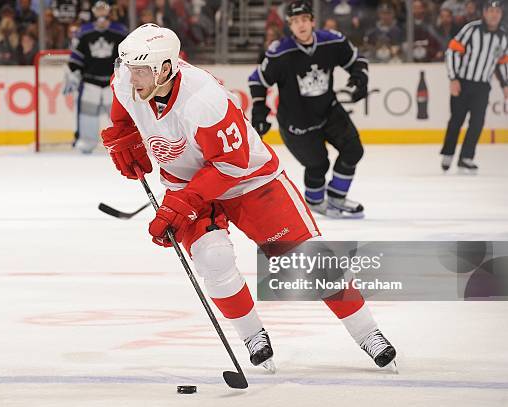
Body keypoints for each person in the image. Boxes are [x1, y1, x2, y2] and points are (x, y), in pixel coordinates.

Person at [101, 23, 397, 372]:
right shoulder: (127, 77)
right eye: (129, 69)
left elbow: (230, 164)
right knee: (213, 260)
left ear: (165, 68)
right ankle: (253, 336)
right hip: (186, 182)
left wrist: (181, 204)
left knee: (307, 260)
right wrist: (124, 136)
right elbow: (123, 110)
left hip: (249, 181)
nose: (131, 78)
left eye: (140, 71)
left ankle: (368, 333)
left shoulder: (204, 99)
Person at [249, 1, 369, 219]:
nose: (301, 25)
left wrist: (360, 78)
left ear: (313, 21)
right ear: (289, 26)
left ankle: (336, 197)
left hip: (329, 111)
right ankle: (314, 201)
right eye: (295, 21)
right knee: (318, 164)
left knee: (353, 150)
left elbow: (356, 60)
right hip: (297, 122)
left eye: (304, 19)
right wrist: (259, 110)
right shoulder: (280, 52)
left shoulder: (332, 41)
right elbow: (257, 80)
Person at [441, 0, 507, 174]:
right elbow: (453, 51)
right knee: (456, 120)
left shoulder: (503, 36)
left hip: (483, 86)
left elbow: (502, 63)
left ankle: (466, 158)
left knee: (477, 123)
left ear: (501, 14)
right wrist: (453, 78)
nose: (494, 14)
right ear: (484, 13)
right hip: (463, 82)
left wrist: (505, 84)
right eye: (490, 11)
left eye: (497, 11)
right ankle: (448, 153)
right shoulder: (471, 29)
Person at [63, 1, 126, 153]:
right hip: (90, 81)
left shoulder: (120, 31)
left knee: (117, 117)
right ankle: (86, 142)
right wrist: (74, 73)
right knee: (87, 114)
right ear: (93, 11)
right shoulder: (84, 31)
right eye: (98, 8)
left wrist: (125, 76)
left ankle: (122, 143)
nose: (101, 12)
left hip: (113, 83)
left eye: (103, 8)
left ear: (109, 10)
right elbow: (77, 57)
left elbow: (126, 55)